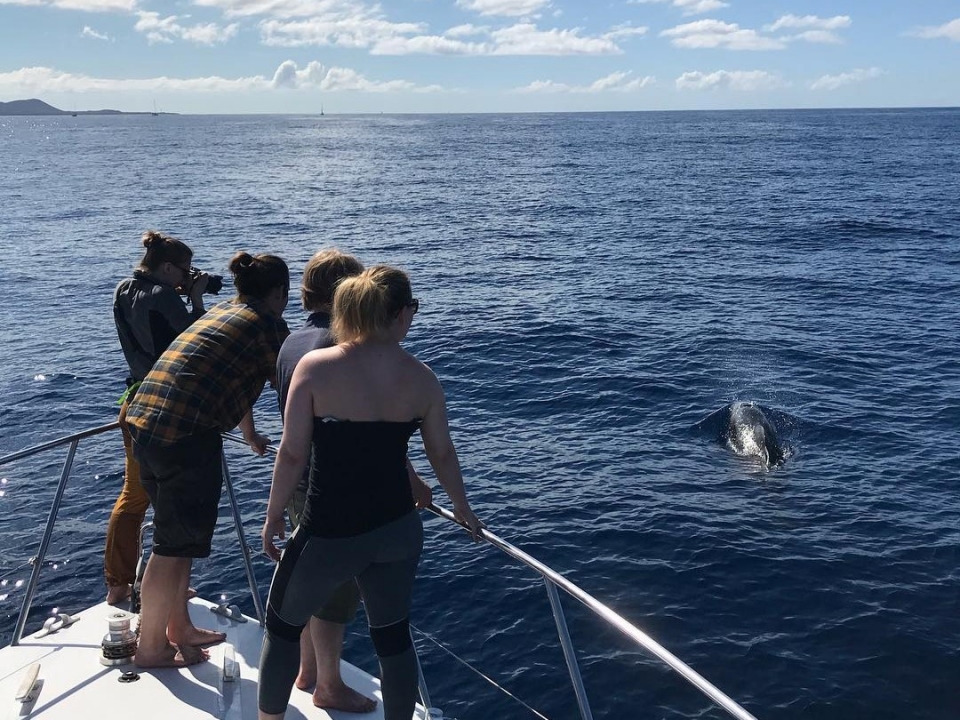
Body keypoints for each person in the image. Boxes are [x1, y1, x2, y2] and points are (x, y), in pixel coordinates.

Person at [259, 265, 483, 720]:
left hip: (329, 535)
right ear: (400, 314)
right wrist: (462, 508)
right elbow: (441, 452)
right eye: (413, 309)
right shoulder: (422, 378)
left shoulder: (316, 368)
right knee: (392, 638)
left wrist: (273, 514)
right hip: (397, 533)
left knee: (282, 628)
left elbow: (292, 454)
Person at [276, 249, 433, 713]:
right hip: (338, 494)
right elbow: (365, 426)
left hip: (300, 485)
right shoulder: (337, 349)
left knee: (299, 596)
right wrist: (415, 480)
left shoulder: (290, 343)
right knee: (336, 600)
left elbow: (306, 433)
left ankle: (306, 672)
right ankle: (327, 683)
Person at [125, 251, 290, 668]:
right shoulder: (269, 326)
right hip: (185, 435)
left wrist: (249, 434)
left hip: (144, 422)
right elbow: (292, 386)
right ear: (280, 293)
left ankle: (177, 627)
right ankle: (150, 648)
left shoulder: (223, 310)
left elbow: (235, 375)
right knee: (171, 545)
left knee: (179, 541)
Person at [106, 230, 210, 605]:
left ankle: (118, 584)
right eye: (183, 271)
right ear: (167, 267)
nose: (186, 278)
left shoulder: (123, 289)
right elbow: (197, 344)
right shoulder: (165, 296)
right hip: (164, 409)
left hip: (132, 402)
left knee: (133, 497)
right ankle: (166, 586)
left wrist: (181, 292)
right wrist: (195, 300)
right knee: (172, 499)